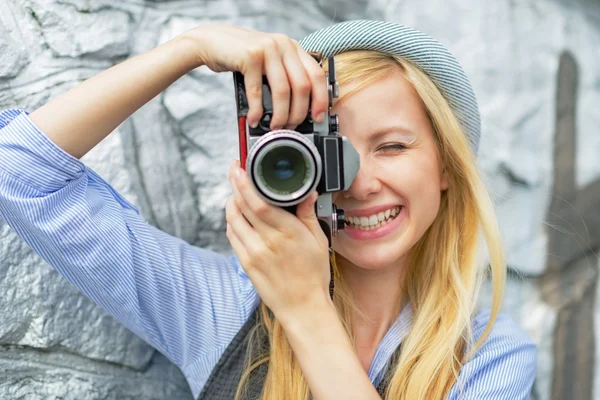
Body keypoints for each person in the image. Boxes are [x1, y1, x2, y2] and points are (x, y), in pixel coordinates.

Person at [0, 20, 536, 399]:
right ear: (282, 165)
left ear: (446, 168)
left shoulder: (486, 355)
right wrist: (189, 49)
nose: (360, 182)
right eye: (327, 152)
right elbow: (19, 170)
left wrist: (305, 308)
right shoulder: (220, 309)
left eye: (392, 146)